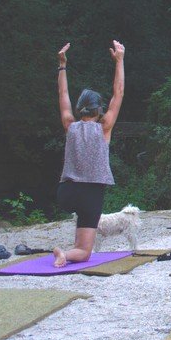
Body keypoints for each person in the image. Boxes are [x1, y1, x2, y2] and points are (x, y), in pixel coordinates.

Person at [52, 40, 125, 267]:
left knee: (80, 252)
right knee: (86, 251)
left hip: (65, 193)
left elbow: (62, 93)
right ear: (99, 110)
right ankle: (69, 251)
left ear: (79, 108)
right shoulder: (104, 127)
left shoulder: (70, 125)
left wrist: (62, 66)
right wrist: (120, 61)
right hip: (91, 192)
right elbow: (119, 92)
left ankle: (64, 254)